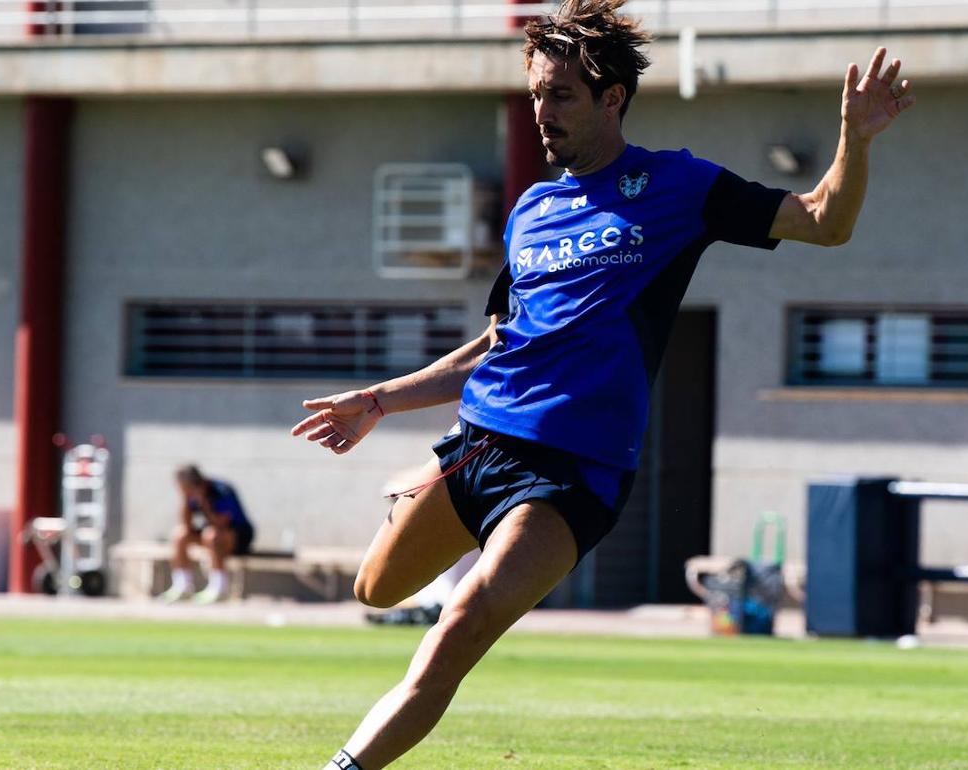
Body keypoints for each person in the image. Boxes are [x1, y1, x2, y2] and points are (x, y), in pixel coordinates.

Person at [291, 2, 915, 768]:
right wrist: (379, 399)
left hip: (570, 472)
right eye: (534, 96)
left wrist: (855, 136)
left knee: (459, 623)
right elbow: (496, 344)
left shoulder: (678, 185)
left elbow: (824, 220)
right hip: (475, 444)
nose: (541, 113)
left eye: (559, 96)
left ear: (611, 98)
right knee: (374, 592)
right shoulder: (532, 210)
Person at [159, 465, 255, 604]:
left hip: (238, 537)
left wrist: (204, 503)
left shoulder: (221, 490)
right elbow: (186, 524)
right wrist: (185, 500)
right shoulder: (190, 496)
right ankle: (182, 586)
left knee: (211, 535)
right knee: (180, 535)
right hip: (210, 535)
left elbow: (222, 524)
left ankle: (219, 588)